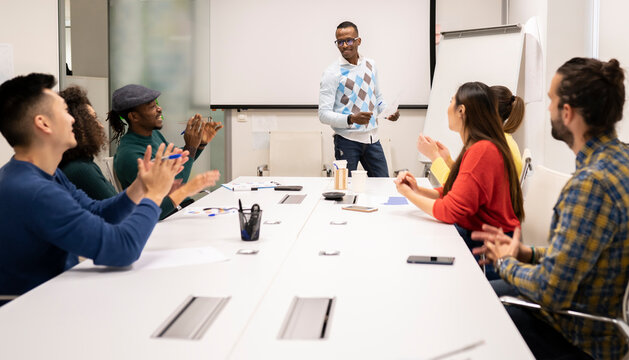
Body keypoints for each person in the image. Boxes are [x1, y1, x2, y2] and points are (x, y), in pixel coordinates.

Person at [472, 58, 629, 359]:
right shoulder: (620, 162)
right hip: (597, 323)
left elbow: (551, 291)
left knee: (475, 299)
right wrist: (526, 253)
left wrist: (506, 262)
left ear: (567, 113)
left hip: (576, 336)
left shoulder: (591, 185)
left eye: (551, 101)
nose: (547, 108)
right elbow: (577, 255)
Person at [0, 73, 204, 303]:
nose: (73, 121)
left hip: (54, 298)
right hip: (31, 313)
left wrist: (140, 187)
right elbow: (122, 249)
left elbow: (98, 211)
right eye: (64, 112)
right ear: (43, 123)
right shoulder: (34, 191)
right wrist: (155, 194)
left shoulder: (46, 174)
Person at [394, 82, 523, 280]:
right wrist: (418, 189)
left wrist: (408, 194)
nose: (448, 108)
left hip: (490, 254)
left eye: (451, 101)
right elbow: (454, 192)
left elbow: (449, 211)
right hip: (482, 241)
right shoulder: (478, 146)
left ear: (461, 110)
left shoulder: (482, 150)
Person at [108, 84, 222, 219]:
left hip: (180, 210)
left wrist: (199, 144)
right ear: (134, 116)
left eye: (156, 104)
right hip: (166, 218)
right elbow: (158, 208)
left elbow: (179, 168)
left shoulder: (154, 135)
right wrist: (190, 148)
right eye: (152, 107)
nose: (159, 109)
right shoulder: (129, 155)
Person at [318, 21, 400, 177]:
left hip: (372, 140)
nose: (344, 45)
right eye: (340, 42)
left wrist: (388, 112)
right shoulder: (332, 73)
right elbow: (323, 114)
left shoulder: (371, 65)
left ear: (358, 41)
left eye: (348, 40)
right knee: (345, 190)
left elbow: (377, 98)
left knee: (383, 186)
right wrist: (351, 119)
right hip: (346, 141)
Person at [418, 85, 525, 185]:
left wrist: (434, 156)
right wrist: (448, 161)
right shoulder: (501, 140)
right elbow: (468, 179)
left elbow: (457, 190)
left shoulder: (490, 147)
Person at [58, 85, 117, 200]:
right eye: (92, 119)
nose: (99, 125)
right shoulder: (80, 170)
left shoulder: (83, 163)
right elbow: (118, 211)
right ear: (77, 126)